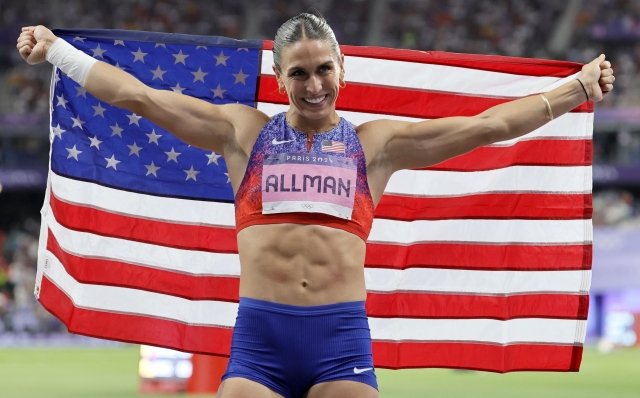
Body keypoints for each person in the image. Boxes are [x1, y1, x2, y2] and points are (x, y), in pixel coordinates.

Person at [16, 13, 614, 398]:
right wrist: (58, 53)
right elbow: (141, 97)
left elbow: (488, 125)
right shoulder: (241, 133)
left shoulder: (375, 146)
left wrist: (576, 90)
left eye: (323, 69)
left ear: (342, 69)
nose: (313, 84)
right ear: (279, 77)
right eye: (298, 73)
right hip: (259, 343)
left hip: (341, 342)